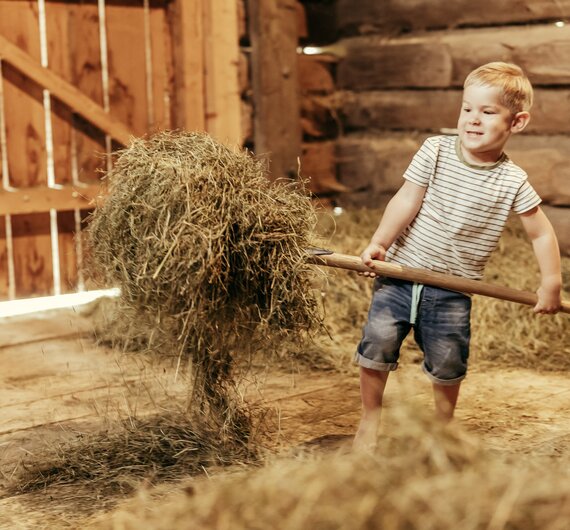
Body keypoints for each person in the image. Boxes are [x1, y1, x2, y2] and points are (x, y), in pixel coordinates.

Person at [352, 62, 562, 450]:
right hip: (400, 273)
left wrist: (551, 282)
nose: (473, 120)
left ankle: (442, 428)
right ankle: (370, 419)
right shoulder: (435, 151)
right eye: (467, 108)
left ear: (516, 123)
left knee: (448, 360)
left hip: (452, 288)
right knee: (377, 343)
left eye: (487, 111)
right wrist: (380, 241)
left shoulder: (512, 180)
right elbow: (406, 200)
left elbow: (540, 232)